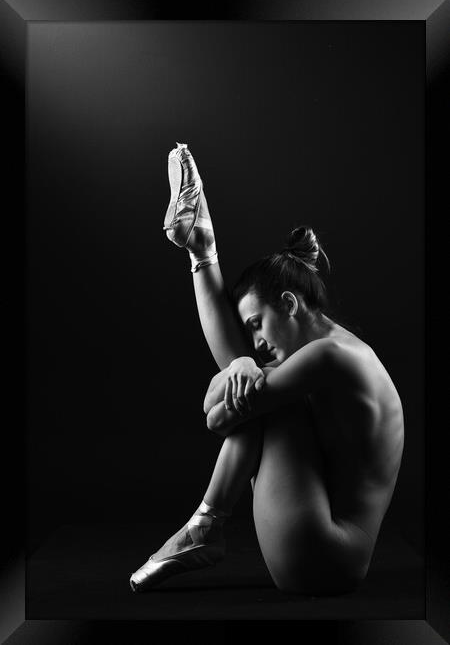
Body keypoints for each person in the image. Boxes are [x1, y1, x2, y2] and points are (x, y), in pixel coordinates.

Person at [129, 143, 404, 596]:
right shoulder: (337, 353)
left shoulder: (331, 356)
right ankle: (201, 251)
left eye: (256, 325)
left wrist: (239, 373)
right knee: (264, 395)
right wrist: (240, 366)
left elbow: (217, 417)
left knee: (267, 405)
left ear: (290, 304)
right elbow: (223, 407)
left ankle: (205, 525)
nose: (257, 342)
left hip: (321, 555)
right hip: (327, 556)